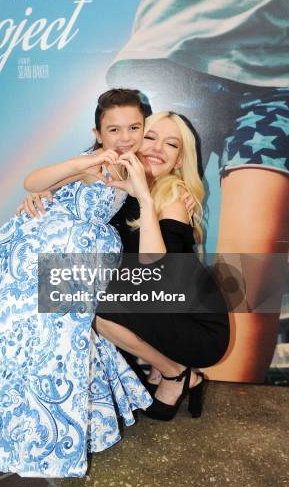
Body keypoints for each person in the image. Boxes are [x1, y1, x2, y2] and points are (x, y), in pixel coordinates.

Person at [40, 0, 289, 382]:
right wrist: (45, 191)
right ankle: (154, 367)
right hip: (170, 62)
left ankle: (192, 377)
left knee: (250, 264)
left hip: (278, 79)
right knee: (127, 229)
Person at [0, 89, 153, 479]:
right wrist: (76, 169)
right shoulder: (89, 162)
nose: (124, 137)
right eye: (113, 129)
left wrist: (122, 178)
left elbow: (140, 203)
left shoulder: (140, 170)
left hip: (78, 251)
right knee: (0, 330)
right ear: (98, 132)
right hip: (24, 246)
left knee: (56, 340)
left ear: (144, 128)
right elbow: (31, 181)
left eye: (134, 127)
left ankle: (45, 434)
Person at [94, 111, 230, 420]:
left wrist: (144, 196)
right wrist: (44, 193)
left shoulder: (173, 197)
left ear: (179, 160)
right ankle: (164, 366)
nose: (157, 149)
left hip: (199, 326)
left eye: (171, 145)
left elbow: (153, 272)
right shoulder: (117, 188)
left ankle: (176, 373)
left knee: (99, 307)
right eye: (151, 138)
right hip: (165, 311)